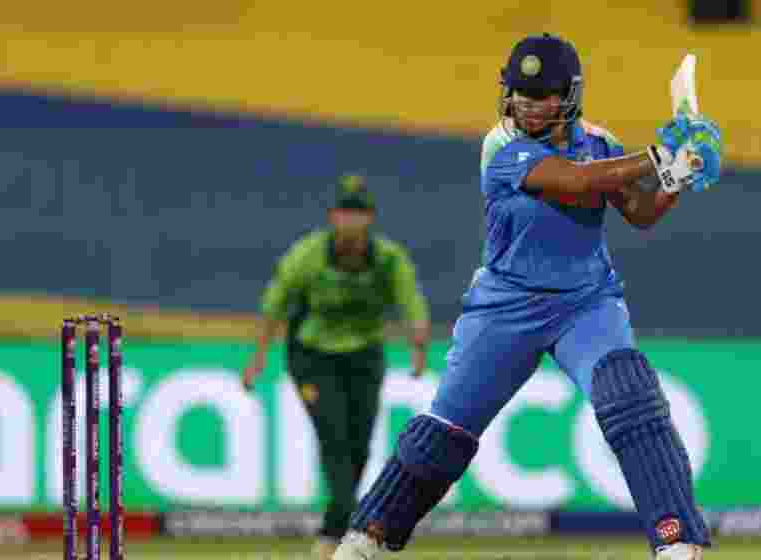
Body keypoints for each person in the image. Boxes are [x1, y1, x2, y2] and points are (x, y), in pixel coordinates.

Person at [332, 33, 722, 560]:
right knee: (444, 434)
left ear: (569, 96)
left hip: (587, 302)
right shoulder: (501, 146)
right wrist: (660, 154)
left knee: (630, 399)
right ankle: (364, 541)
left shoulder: (599, 142)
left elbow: (641, 213)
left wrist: (682, 170)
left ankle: (679, 544)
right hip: (505, 305)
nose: (525, 105)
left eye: (539, 95)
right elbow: (578, 181)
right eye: (517, 93)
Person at [242, 174, 431, 560]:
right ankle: (350, 528)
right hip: (312, 356)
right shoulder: (308, 255)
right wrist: (258, 356)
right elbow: (274, 304)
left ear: (370, 219)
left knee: (359, 446)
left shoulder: (387, 258)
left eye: (358, 213)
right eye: (344, 213)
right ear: (332, 217)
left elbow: (411, 302)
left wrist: (418, 346)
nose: (351, 221)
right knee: (334, 439)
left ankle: (332, 531)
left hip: (363, 356)